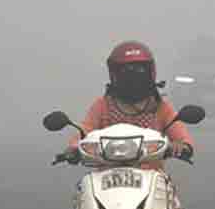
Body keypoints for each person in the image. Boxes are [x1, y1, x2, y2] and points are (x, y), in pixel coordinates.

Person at [66, 41, 195, 166]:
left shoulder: (160, 107)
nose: (134, 78)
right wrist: (74, 147)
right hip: (105, 175)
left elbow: (180, 134)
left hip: (152, 177)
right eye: (126, 71)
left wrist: (182, 145)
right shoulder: (103, 105)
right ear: (114, 74)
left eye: (140, 71)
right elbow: (85, 130)